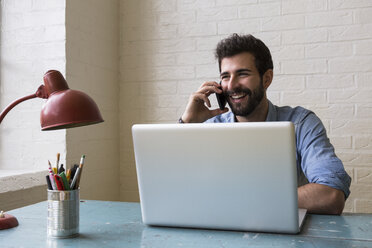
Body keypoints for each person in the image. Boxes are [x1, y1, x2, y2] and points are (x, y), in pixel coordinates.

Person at [179, 34, 351, 215]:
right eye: (225, 76)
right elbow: (173, 188)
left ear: (267, 78)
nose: (232, 85)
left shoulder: (301, 124)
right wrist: (187, 124)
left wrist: (246, 201)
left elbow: (331, 196)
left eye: (242, 74)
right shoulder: (209, 128)